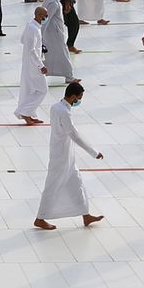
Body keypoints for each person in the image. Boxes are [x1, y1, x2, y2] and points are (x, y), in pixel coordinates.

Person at [33, 81, 103, 230]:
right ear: (72, 96)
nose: (80, 100)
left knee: (77, 184)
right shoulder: (64, 112)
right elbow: (74, 135)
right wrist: (94, 152)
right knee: (52, 186)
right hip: (61, 156)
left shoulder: (56, 107)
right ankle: (40, 218)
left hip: (66, 155)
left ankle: (86, 215)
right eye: (79, 97)